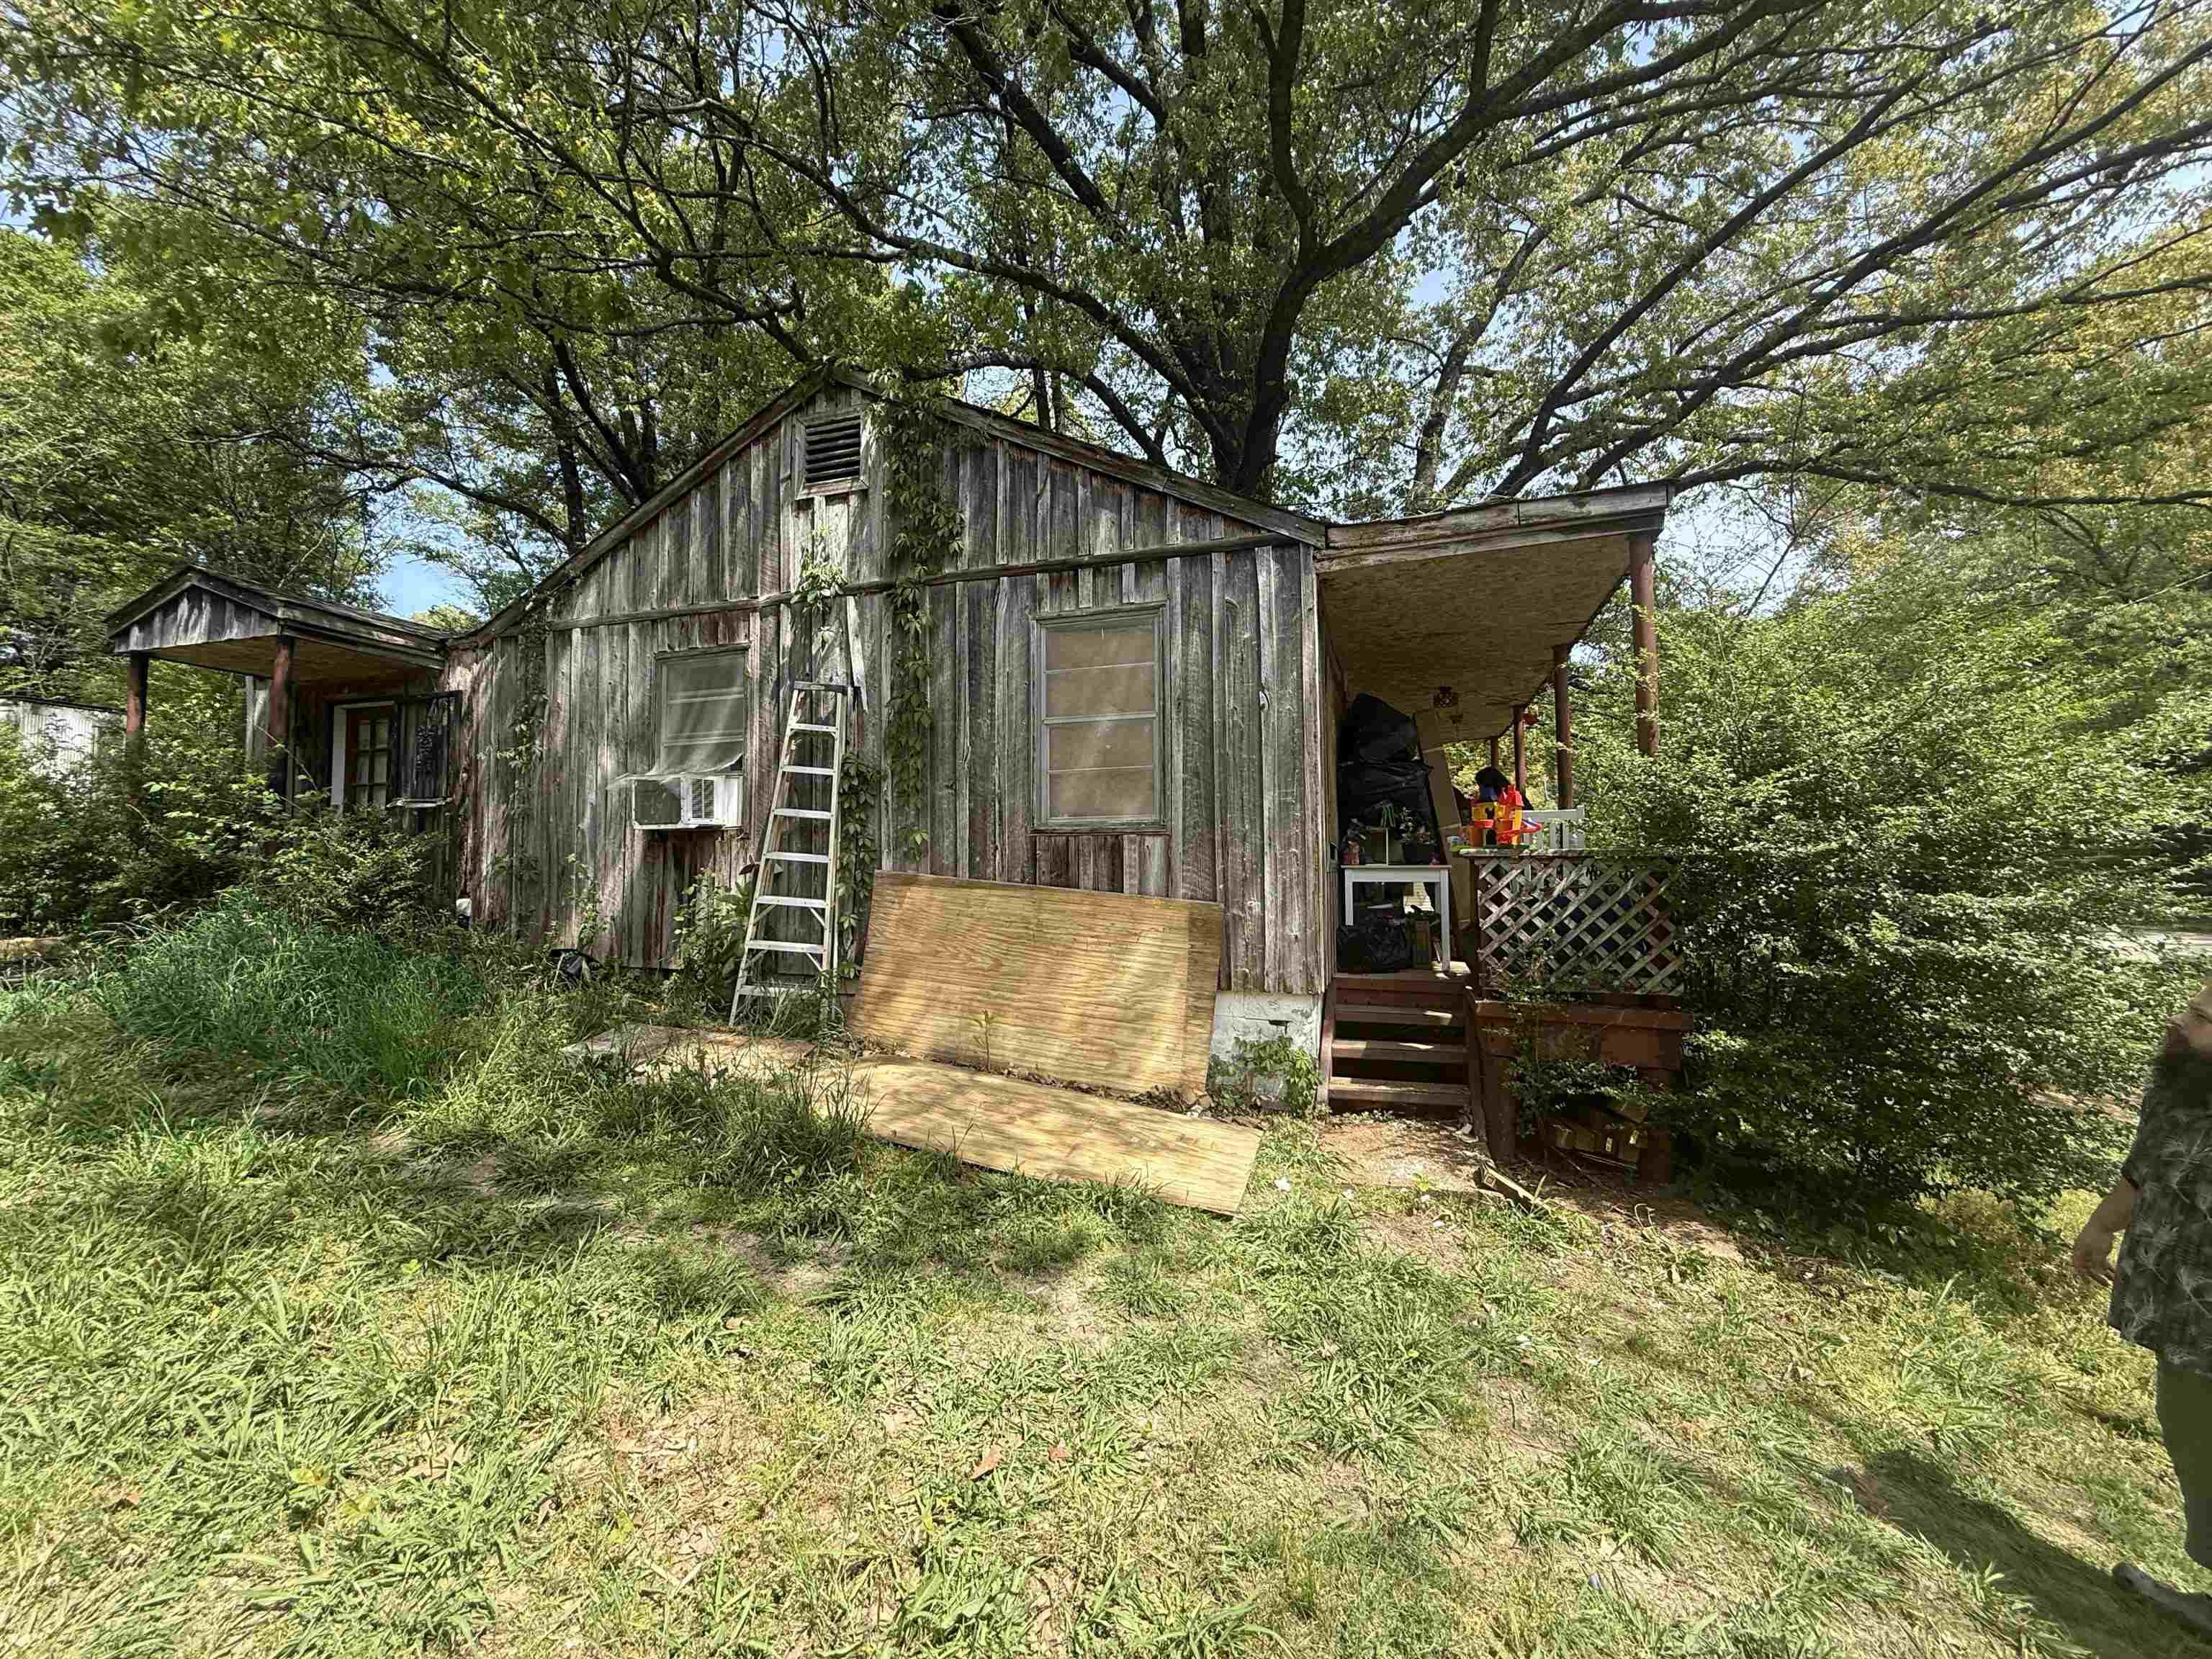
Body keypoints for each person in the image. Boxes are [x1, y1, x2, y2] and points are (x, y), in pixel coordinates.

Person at [2074, 979, 2212, 1632]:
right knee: (2189, 1424)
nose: (2180, 1021)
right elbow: (2145, 1166)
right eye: (2191, 1006)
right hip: (2181, 1307)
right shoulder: (2184, 1085)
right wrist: (2102, 1224)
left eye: (2202, 1017)